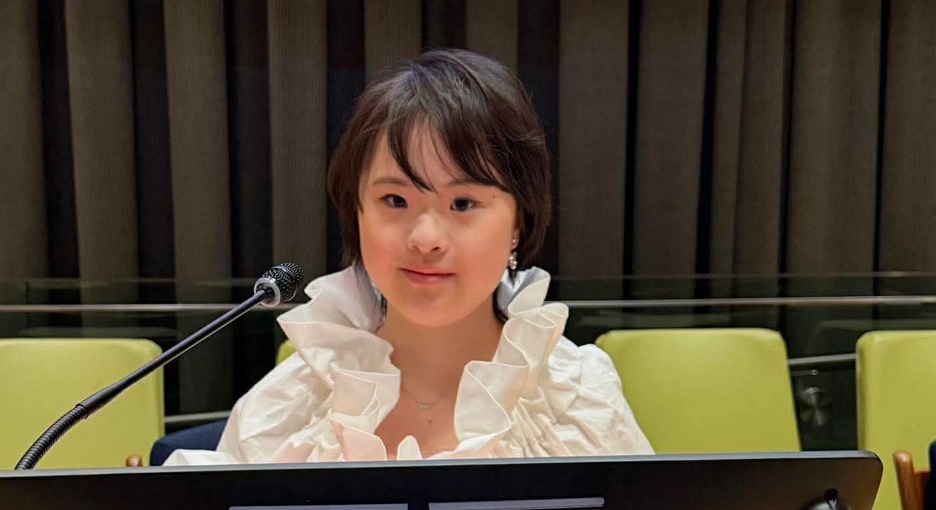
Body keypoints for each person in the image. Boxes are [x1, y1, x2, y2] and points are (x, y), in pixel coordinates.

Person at [165, 48, 652, 465]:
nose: (425, 238)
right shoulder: (285, 408)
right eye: (395, 200)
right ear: (356, 212)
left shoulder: (577, 400)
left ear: (518, 224)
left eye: (463, 203)